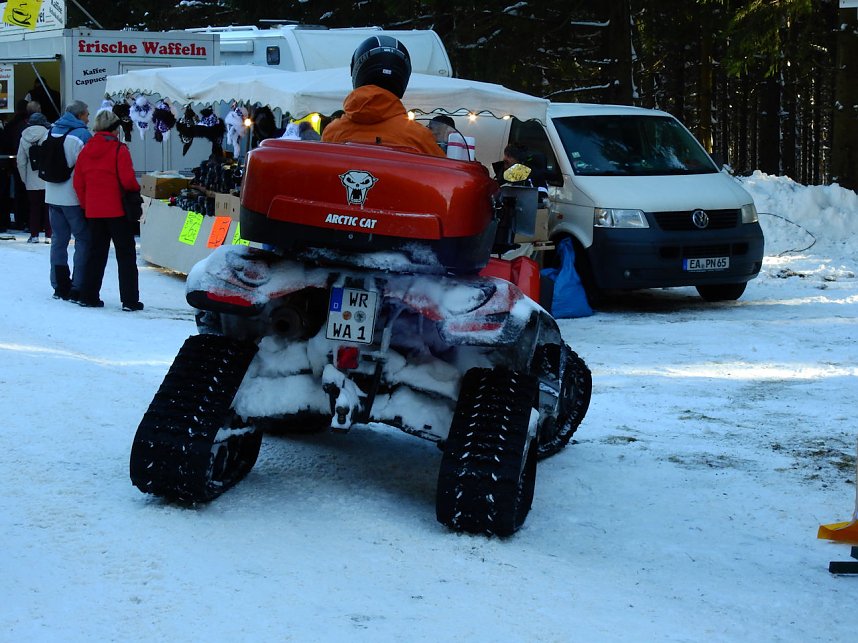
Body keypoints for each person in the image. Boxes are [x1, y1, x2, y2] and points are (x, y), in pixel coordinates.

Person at [322, 36, 444, 157]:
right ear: (404, 75)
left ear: (356, 70)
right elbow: (443, 173)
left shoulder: (333, 133)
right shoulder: (418, 137)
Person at [73, 108, 143, 311]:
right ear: (114, 129)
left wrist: (87, 205)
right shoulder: (119, 150)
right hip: (117, 210)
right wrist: (134, 191)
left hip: (94, 211)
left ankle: (88, 295)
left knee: (95, 254)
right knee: (126, 255)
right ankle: (129, 300)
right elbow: (128, 180)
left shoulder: (86, 150)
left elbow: (79, 183)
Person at [45, 100, 92, 302]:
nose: (88, 118)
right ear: (80, 115)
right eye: (87, 114)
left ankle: (59, 285)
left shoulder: (52, 130)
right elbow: (87, 169)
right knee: (82, 240)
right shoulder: (82, 135)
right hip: (72, 197)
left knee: (58, 241)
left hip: (52, 194)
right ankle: (77, 286)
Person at [16, 110, 52, 243]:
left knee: (34, 208)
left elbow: (21, 162)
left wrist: (24, 179)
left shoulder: (24, 137)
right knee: (48, 208)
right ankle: (49, 235)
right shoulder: (49, 134)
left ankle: (34, 235)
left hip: (31, 178)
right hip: (47, 178)